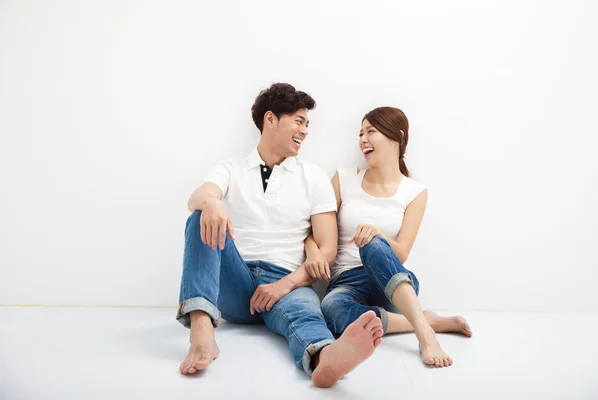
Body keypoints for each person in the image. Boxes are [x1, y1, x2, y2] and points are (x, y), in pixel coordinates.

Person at [176, 83, 383, 388]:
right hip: (235, 282)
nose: (305, 131)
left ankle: (325, 358)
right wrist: (211, 202)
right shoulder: (231, 169)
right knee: (199, 218)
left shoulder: (312, 177)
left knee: (305, 314)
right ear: (270, 119)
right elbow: (199, 195)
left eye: (307, 124)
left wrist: (284, 285)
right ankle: (202, 332)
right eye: (299, 121)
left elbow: (326, 248)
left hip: (287, 282)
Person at [304, 106, 472, 368]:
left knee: (372, 243)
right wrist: (313, 252)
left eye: (371, 131)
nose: (363, 139)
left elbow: (402, 252)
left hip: (392, 283)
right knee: (330, 310)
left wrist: (378, 236)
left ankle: (425, 335)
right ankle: (424, 319)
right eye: (361, 133)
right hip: (346, 284)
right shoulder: (344, 179)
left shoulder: (415, 191)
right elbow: (312, 232)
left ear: (397, 137)